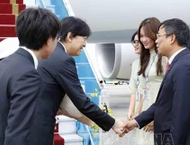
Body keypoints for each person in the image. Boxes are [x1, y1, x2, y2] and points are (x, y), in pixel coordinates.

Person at [29, 16, 124, 144]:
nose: (85, 44)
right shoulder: (63, 60)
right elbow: (81, 102)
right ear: (70, 36)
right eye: (84, 39)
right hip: (38, 125)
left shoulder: (50, 54)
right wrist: (112, 123)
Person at [124, 18, 190, 145]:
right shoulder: (178, 64)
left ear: (171, 38)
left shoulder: (185, 67)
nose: (156, 41)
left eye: (159, 36)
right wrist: (136, 122)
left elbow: (181, 116)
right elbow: (161, 103)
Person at [0, 8, 61, 145]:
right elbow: (17, 132)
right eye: (56, 39)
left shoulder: (3, 66)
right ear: (48, 40)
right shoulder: (29, 75)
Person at [135, 17, 167, 145]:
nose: (143, 39)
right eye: (141, 36)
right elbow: (143, 89)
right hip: (146, 110)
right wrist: (139, 114)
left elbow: (166, 91)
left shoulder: (163, 57)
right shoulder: (146, 57)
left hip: (159, 110)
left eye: (147, 35)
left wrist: (155, 117)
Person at [127, 31, 143, 120]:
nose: (135, 45)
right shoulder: (135, 64)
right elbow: (133, 90)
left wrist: (138, 112)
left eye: (138, 42)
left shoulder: (154, 64)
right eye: (134, 41)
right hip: (137, 110)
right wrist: (131, 111)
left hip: (147, 108)